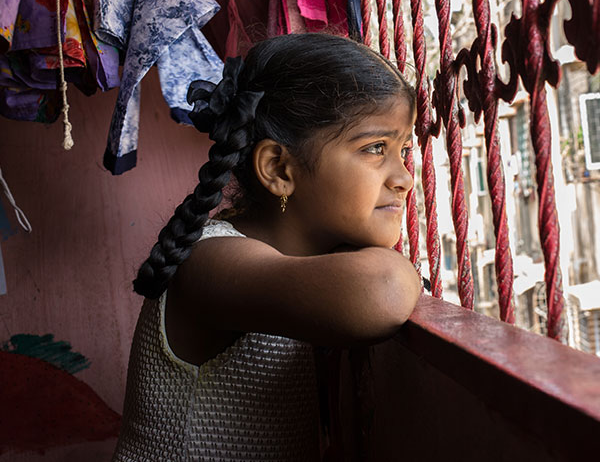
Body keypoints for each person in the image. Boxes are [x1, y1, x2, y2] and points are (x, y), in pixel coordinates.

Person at [112, 33, 421, 461]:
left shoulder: (297, 263)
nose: (405, 177)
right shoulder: (212, 261)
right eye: (375, 148)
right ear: (278, 168)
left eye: (404, 150)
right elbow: (383, 291)